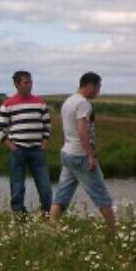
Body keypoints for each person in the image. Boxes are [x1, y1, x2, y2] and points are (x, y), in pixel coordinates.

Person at [48, 72, 116, 231]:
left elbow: (67, 129)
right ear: (90, 85)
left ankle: (51, 226)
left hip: (67, 152)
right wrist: (90, 156)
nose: (99, 91)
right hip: (80, 155)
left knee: (63, 193)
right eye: (98, 87)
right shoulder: (84, 104)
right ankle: (114, 232)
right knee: (101, 195)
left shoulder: (68, 101)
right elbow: (82, 130)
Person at [0, 70, 52, 216]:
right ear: (17, 84)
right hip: (18, 150)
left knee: (45, 187)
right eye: (26, 82)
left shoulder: (40, 103)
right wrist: (11, 146)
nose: (29, 85)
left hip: (37, 150)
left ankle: (47, 215)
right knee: (17, 188)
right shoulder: (8, 104)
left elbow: (47, 125)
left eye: (30, 82)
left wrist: (44, 142)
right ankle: (20, 217)